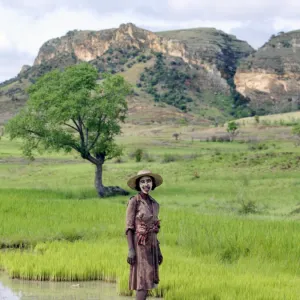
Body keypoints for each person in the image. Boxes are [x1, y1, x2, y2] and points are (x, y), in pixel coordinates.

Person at [125, 170, 163, 300]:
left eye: (148, 181)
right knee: (142, 283)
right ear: (138, 185)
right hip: (139, 246)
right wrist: (131, 250)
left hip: (151, 246)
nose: (146, 184)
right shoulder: (134, 201)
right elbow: (129, 228)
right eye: (142, 182)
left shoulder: (155, 204)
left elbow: (154, 229)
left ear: (152, 184)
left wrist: (158, 251)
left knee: (148, 283)